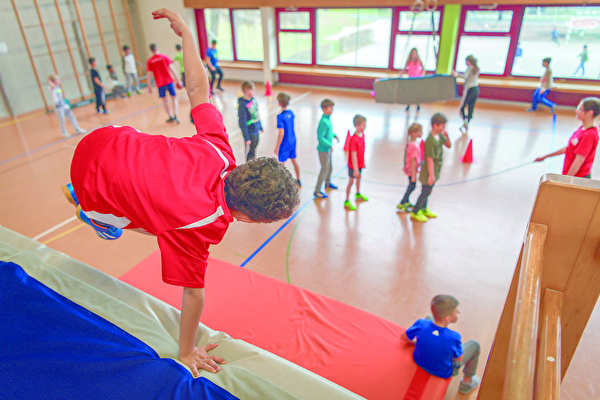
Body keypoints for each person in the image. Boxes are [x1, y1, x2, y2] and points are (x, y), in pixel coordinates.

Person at [61, 8, 299, 378]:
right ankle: (92, 211)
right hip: (93, 184)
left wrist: (187, 34)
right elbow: (193, 294)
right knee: (146, 226)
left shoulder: (221, 149)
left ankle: (93, 196)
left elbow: (197, 89)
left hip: (104, 137)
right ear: (249, 217)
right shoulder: (203, 225)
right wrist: (186, 352)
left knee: (156, 192)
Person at [401, 295, 481, 395]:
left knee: (429, 319)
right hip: (442, 371)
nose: (458, 313)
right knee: (475, 345)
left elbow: (404, 337)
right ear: (447, 319)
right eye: (456, 312)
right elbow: (459, 358)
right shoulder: (454, 337)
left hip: (418, 359)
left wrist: (419, 342)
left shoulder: (421, 323)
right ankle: (466, 383)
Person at [535, 97, 600, 178]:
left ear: (590, 113)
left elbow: (578, 161)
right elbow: (569, 148)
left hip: (578, 177)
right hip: (570, 173)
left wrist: (566, 180)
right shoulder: (582, 128)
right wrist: (544, 156)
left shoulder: (589, 135)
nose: (576, 111)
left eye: (580, 109)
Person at [410, 113, 451, 223]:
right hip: (428, 171)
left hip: (435, 169)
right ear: (435, 126)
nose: (444, 128)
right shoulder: (430, 140)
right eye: (442, 126)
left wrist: (447, 136)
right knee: (425, 191)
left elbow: (448, 145)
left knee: (428, 191)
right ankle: (415, 211)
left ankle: (423, 208)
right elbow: (429, 159)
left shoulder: (440, 136)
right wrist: (431, 175)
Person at [147, 43, 183, 123]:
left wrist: (149, 86)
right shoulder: (164, 57)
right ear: (157, 48)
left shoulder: (150, 61)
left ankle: (170, 116)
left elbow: (149, 75)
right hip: (169, 81)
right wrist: (179, 80)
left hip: (160, 84)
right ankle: (175, 115)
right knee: (174, 98)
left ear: (151, 50)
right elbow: (172, 69)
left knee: (164, 100)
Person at [314, 99, 339, 199]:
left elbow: (328, 132)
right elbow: (320, 138)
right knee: (324, 169)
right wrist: (329, 145)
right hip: (323, 150)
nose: (332, 110)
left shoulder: (328, 119)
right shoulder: (323, 121)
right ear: (324, 109)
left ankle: (328, 183)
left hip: (327, 149)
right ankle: (317, 190)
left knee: (330, 167)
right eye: (330, 108)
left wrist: (334, 135)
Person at [275, 92, 301, 186]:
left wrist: (277, 147)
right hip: (293, 140)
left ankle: (279, 183)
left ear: (279, 103)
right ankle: (298, 180)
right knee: (294, 160)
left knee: (281, 164)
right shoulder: (291, 113)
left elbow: (281, 133)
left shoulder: (280, 116)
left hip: (285, 142)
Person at [344, 115, 368, 211]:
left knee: (359, 178)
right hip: (353, 166)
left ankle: (358, 193)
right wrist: (355, 169)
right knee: (351, 181)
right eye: (363, 125)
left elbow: (362, 151)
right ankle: (346, 200)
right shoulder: (354, 139)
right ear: (357, 126)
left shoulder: (362, 135)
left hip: (360, 164)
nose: (365, 127)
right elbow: (353, 155)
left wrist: (363, 162)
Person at [397, 123, 423, 212]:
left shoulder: (411, 143)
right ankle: (402, 202)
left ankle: (406, 201)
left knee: (411, 185)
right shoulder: (414, 146)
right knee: (412, 186)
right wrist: (414, 174)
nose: (421, 133)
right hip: (412, 170)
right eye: (420, 132)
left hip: (409, 169)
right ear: (413, 133)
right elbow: (413, 160)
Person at [452, 55, 480, 134]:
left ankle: (464, 120)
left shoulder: (470, 68)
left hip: (470, 89)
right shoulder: (476, 69)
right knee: (471, 107)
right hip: (476, 89)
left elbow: (464, 76)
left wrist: (456, 74)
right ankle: (467, 122)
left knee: (462, 107)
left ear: (468, 61)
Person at [238, 81, 263, 161]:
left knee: (254, 149)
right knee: (249, 152)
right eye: (251, 90)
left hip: (256, 129)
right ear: (246, 91)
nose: (253, 92)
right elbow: (242, 122)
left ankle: (254, 162)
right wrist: (246, 137)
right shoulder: (242, 105)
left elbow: (257, 114)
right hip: (250, 131)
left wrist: (260, 126)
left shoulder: (253, 100)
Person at [400, 48, 425, 112]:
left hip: (417, 79)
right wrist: (401, 74)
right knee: (410, 93)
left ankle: (417, 105)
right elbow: (404, 69)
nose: (413, 55)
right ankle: (408, 105)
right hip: (410, 79)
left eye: (415, 53)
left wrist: (422, 75)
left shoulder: (419, 60)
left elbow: (423, 68)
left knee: (416, 93)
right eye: (412, 53)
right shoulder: (408, 61)